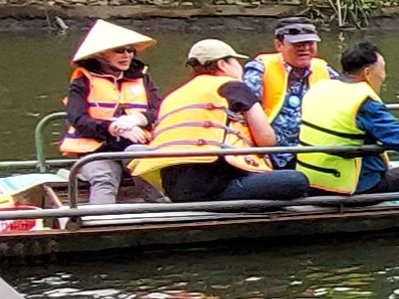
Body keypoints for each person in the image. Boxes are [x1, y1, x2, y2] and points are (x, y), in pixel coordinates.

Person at [139, 39, 310, 203]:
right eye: (236, 62)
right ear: (222, 64)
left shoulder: (173, 96)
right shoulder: (233, 87)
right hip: (214, 187)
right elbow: (267, 139)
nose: (240, 68)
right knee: (296, 180)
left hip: (175, 190)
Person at [293, 42, 399, 195]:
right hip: (348, 186)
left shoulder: (320, 88)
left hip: (312, 180)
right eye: (382, 70)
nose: (384, 76)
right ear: (367, 72)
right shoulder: (363, 102)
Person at [58, 19, 164, 206]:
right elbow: (78, 119)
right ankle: (100, 220)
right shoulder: (83, 81)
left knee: (144, 162)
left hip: (134, 147)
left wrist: (138, 119)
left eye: (130, 51)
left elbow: (159, 110)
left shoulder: (142, 79)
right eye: (119, 51)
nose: (127, 55)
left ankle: (165, 210)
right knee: (104, 178)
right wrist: (113, 127)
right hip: (97, 152)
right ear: (101, 54)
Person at [246, 19, 331, 148]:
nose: (305, 48)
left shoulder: (324, 70)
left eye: (310, 43)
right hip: (270, 152)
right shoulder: (259, 69)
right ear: (279, 45)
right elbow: (243, 107)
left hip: (314, 150)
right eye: (297, 44)